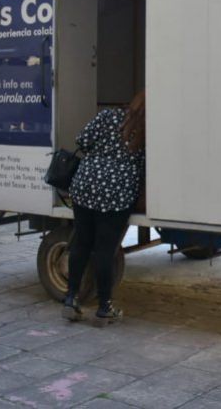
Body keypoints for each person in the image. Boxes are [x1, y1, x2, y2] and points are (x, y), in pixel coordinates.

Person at [63, 90, 145, 326]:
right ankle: (104, 307)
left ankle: (71, 299)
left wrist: (100, 158)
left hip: (86, 184)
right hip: (117, 193)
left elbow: (82, 140)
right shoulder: (147, 131)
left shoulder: (108, 116)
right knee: (105, 250)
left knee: (81, 243)